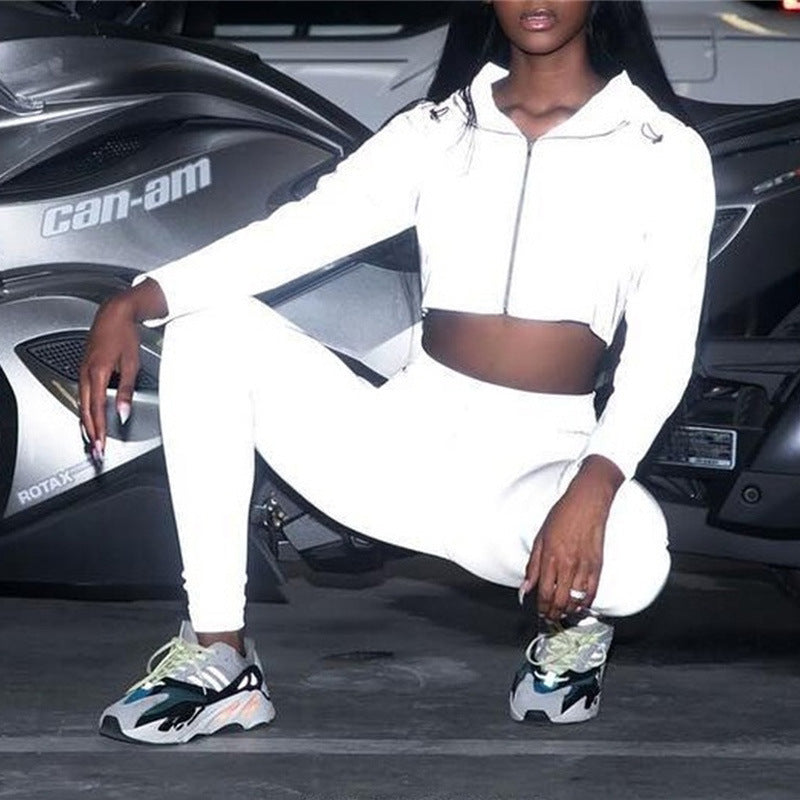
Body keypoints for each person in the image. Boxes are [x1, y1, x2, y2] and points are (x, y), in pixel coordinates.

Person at [79, 0, 715, 744]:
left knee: (636, 558)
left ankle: (574, 627)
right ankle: (221, 655)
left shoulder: (662, 149)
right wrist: (140, 298)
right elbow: (303, 232)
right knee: (208, 331)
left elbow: (663, 350)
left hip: (537, 473)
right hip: (405, 446)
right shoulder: (438, 129)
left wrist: (593, 484)